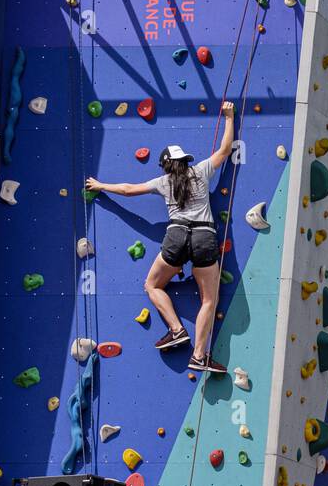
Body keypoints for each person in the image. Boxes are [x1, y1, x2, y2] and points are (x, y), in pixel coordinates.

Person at [85, 102, 235, 373]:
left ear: (166, 166)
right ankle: (199, 356)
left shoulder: (164, 182)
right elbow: (225, 150)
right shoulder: (200, 171)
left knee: (153, 285)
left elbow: (129, 189)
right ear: (185, 160)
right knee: (209, 300)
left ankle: (176, 329)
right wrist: (229, 117)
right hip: (204, 235)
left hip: (176, 235)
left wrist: (100, 185)